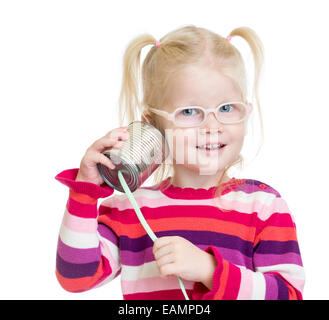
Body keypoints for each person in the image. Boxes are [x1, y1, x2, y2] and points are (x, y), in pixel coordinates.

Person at [54, 25, 305, 300]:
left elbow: (288, 295)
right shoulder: (128, 209)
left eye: (226, 108)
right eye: (189, 112)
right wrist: (85, 192)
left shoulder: (264, 207)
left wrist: (211, 271)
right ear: (152, 124)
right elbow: (75, 278)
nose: (213, 125)